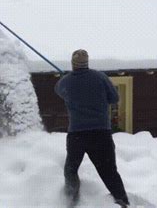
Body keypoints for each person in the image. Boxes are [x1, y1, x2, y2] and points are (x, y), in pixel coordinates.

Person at [55, 49, 130, 207]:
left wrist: (69, 80)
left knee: (71, 169)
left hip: (77, 135)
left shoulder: (65, 82)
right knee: (108, 171)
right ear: (87, 62)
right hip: (100, 134)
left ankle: (71, 201)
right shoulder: (100, 77)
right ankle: (122, 201)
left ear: (73, 64)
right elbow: (114, 98)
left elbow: (59, 91)